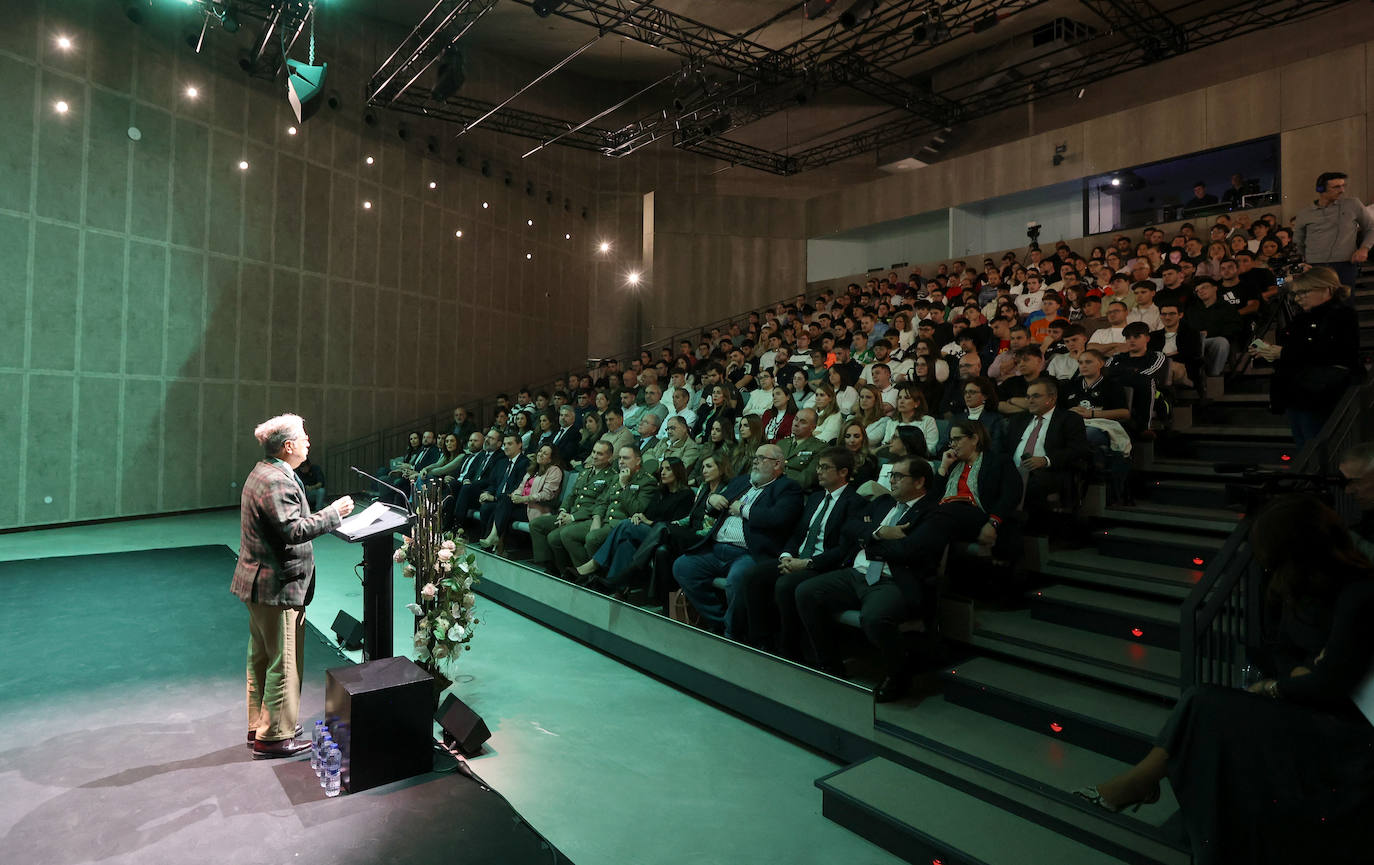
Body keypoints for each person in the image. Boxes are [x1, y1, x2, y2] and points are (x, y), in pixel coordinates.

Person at [1075, 495, 1374, 864]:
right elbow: (1280, 650)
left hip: (1348, 733)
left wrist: (1275, 685)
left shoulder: (1360, 592)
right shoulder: (1291, 585)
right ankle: (1150, 787)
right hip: (1303, 706)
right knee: (1204, 706)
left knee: (1207, 706)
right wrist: (1300, 672)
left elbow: (1329, 686)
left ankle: (1145, 782)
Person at [232, 414, 353, 758]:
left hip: (259, 584)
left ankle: (261, 725)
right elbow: (293, 531)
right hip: (277, 586)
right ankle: (275, 738)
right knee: (283, 663)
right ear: (288, 447)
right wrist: (333, 513)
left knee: (261, 658)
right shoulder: (278, 481)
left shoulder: (264, 472)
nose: (308, 441)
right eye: (303, 437)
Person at [794, 456, 939, 702]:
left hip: (893, 580)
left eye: (898, 476)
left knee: (874, 617)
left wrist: (869, 544)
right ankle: (829, 663)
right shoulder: (883, 502)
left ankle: (898, 674)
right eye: (891, 475)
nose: (891, 480)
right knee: (806, 592)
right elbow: (849, 527)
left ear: (919, 481)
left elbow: (910, 551)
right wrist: (879, 532)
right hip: (856, 573)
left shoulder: (932, 512)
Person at [738, 448, 863, 657]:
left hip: (823, 565)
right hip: (797, 557)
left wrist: (808, 563)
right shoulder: (815, 498)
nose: (819, 472)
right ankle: (760, 640)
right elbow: (797, 534)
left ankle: (790, 649)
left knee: (785, 584)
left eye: (825, 467)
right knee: (754, 575)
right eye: (818, 467)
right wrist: (786, 555)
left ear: (843, 472)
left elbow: (844, 549)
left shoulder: (855, 502)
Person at [671, 444, 804, 639]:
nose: (755, 462)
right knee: (683, 566)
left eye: (761, 458)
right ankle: (719, 622)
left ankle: (732, 634)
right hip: (716, 548)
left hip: (749, 553)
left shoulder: (787, 488)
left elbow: (778, 518)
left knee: (737, 581)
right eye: (755, 458)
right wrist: (712, 500)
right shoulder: (742, 482)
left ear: (777, 464)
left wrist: (743, 509)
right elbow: (714, 507)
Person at [1251, 266, 1361, 447]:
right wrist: (1270, 352)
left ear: (1326, 289)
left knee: (1316, 446)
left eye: (1304, 292)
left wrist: (1283, 353)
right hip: (1297, 391)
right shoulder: (1301, 319)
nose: (1298, 298)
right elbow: (1295, 349)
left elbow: (1338, 353)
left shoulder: (1342, 315)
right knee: (1304, 444)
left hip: (1320, 393)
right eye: (1296, 294)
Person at [578, 457, 694, 594]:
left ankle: (595, 563)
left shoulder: (686, 495)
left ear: (678, 472)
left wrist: (649, 522)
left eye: (668, 469)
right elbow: (646, 513)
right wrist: (637, 516)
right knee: (625, 543)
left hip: (664, 536)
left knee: (625, 525)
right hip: (648, 531)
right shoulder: (660, 493)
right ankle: (614, 587)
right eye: (662, 468)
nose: (663, 472)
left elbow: (676, 525)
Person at [1003, 377, 1091, 519]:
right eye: (1028, 396)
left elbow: (1079, 450)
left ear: (1052, 398)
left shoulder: (1069, 419)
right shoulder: (1018, 419)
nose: (1030, 400)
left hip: (1049, 472)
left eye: (1036, 396)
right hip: (1014, 470)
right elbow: (1005, 449)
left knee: (1029, 486)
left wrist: (1046, 460)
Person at [529, 441, 617, 578]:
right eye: (593, 452)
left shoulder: (612, 477)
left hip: (587, 518)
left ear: (610, 457)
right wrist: (563, 511)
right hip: (571, 514)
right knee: (537, 524)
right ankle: (553, 567)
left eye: (600, 454)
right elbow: (571, 496)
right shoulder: (585, 473)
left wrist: (573, 518)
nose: (594, 456)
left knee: (555, 537)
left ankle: (584, 574)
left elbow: (601, 503)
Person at [476, 444, 566, 550]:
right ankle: (492, 540)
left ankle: (492, 541)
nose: (540, 454)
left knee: (501, 509)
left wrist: (525, 498)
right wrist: (516, 495)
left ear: (551, 458)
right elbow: (520, 487)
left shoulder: (554, 471)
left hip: (536, 508)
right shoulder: (533, 470)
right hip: (522, 506)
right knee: (500, 504)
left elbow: (547, 494)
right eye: (540, 451)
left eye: (545, 453)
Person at [1293, 171, 1374, 287]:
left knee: (1344, 301)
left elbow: (1371, 227)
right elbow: (1298, 240)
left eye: (1343, 186)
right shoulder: (1304, 214)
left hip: (1345, 263)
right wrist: (1305, 259)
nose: (1342, 190)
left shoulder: (1353, 204)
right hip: (1315, 265)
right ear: (1321, 189)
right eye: (1336, 187)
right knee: (1319, 303)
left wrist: (1365, 248)